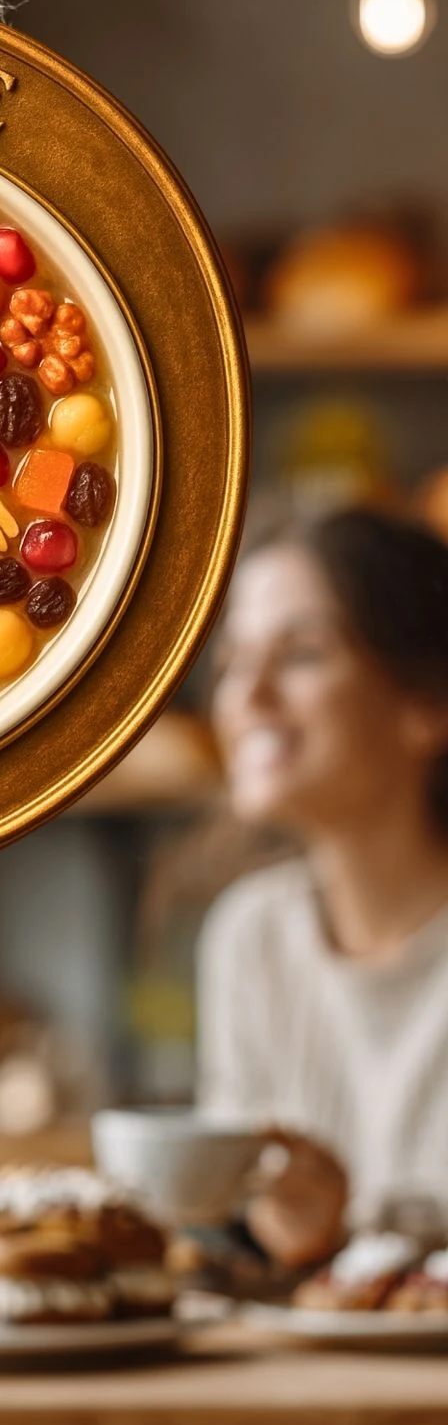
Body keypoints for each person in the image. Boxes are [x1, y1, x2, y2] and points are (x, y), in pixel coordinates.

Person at [198, 507, 448, 1267]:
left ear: (427, 706)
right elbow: (255, 1245)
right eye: (233, 661)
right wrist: (297, 1233)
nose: (250, 694)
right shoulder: (252, 938)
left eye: (301, 654)